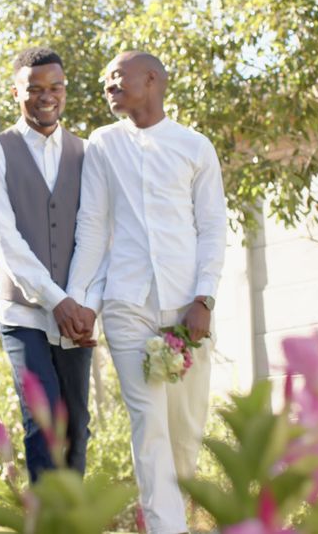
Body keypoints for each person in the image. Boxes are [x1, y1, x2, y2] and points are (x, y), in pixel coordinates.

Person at [65, 51, 227, 533]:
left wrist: (204, 299)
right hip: (127, 305)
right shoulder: (102, 144)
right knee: (149, 425)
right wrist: (80, 301)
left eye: (117, 77)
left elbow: (213, 227)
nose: (108, 86)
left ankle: (177, 516)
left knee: (185, 430)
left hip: (186, 309)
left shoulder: (195, 147)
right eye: (105, 80)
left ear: (151, 79)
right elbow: (92, 226)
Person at [0, 46, 98, 481]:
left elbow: (95, 232)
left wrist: (79, 303)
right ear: (15, 92)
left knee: (76, 430)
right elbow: (2, 236)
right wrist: (54, 300)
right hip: (23, 312)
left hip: (76, 312)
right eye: (35, 89)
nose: (47, 96)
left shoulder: (87, 153)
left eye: (56, 87)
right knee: (43, 424)